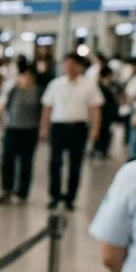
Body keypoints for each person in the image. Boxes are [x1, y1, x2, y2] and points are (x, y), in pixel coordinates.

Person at [40, 53, 103, 211]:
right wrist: (44, 128)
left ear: (80, 67)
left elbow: (95, 109)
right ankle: (54, 196)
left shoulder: (89, 85)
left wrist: (95, 129)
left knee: (75, 164)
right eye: (66, 64)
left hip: (78, 127)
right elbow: (47, 108)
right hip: (59, 126)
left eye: (72, 64)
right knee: (55, 163)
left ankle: (70, 197)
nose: (68, 68)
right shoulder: (56, 84)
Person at [0, 66, 42, 204]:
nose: (24, 79)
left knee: (26, 162)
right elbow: (3, 103)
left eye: (28, 77)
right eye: (23, 76)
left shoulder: (38, 92)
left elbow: (43, 112)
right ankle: (7, 189)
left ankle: (22, 192)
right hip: (12, 129)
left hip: (29, 131)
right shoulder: (13, 90)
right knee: (7, 160)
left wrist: (43, 129)